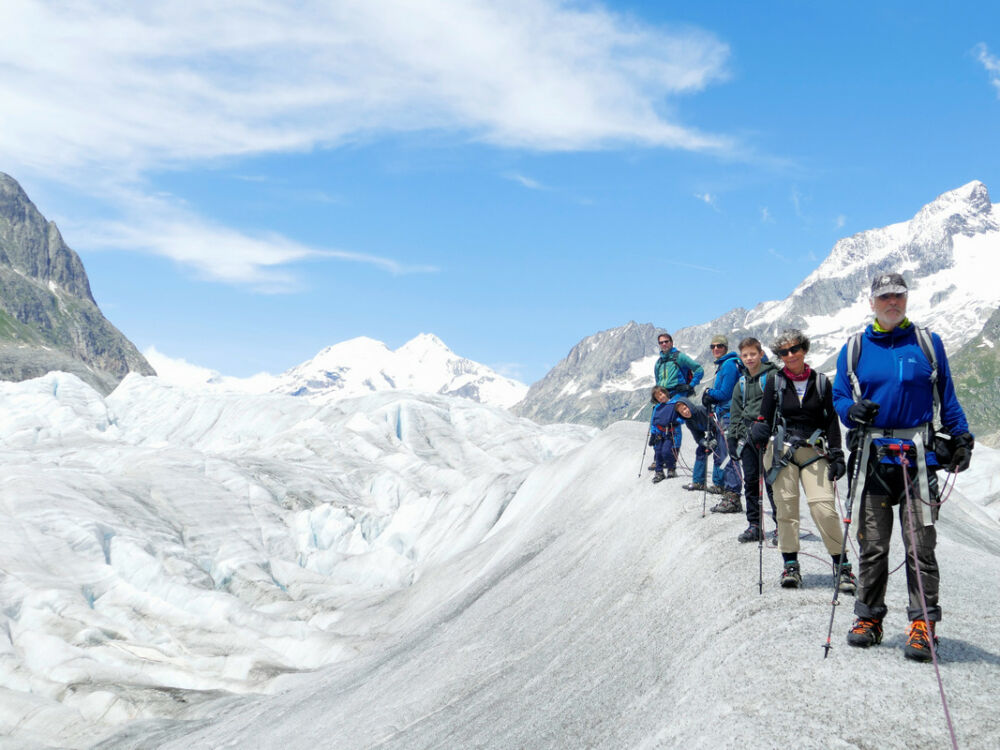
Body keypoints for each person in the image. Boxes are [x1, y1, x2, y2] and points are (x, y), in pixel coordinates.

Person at [832, 272, 973, 662]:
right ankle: (868, 618)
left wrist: (961, 437)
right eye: (884, 297)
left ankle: (923, 625)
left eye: (898, 295)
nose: (892, 301)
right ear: (872, 302)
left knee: (920, 548)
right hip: (873, 461)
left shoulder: (928, 343)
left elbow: (946, 395)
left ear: (906, 299)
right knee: (873, 546)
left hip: (919, 460)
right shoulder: (855, 348)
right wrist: (851, 411)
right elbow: (840, 395)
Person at [750, 329, 854, 592]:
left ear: (804, 349)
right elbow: (765, 416)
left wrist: (837, 454)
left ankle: (842, 565)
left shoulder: (821, 382)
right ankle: (790, 565)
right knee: (786, 509)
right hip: (782, 451)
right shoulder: (775, 382)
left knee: (824, 508)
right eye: (783, 352)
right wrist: (759, 430)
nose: (790, 355)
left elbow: (831, 421)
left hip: (813, 450)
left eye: (794, 349)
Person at [727, 337, 779, 543]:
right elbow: (735, 413)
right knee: (750, 481)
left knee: (773, 482)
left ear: (761, 354)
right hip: (748, 436)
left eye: (752, 354)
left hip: (770, 435)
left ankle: (782, 525)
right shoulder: (741, 383)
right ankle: (754, 525)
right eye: (745, 355)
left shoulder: (773, 376)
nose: (749, 358)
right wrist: (732, 438)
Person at [698, 335, 743, 513]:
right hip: (724, 415)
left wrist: (709, 392)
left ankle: (733, 496)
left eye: (720, 346)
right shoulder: (725, 365)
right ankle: (729, 491)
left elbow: (725, 393)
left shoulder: (729, 365)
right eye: (713, 346)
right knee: (724, 454)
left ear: (726, 347)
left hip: (728, 416)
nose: (716, 349)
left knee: (729, 455)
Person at [652, 332, 703, 467]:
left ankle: (672, 458)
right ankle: (658, 458)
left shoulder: (679, 357)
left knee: (674, 424)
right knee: (659, 423)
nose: (664, 344)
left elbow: (699, 369)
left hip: (677, 394)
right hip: (664, 396)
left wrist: (690, 385)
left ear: (671, 342)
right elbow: (658, 382)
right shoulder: (659, 363)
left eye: (666, 341)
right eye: (661, 342)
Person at [648, 386, 681, 483]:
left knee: (666, 451)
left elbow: (683, 417)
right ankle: (659, 472)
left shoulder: (675, 404)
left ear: (665, 393)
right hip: (659, 433)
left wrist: (677, 422)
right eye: (658, 397)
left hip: (670, 433)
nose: (660, 397)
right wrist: (653, 434)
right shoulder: (657, 407)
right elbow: (654, 422)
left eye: (661, 394)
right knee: (658, 452)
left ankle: (671, 468)